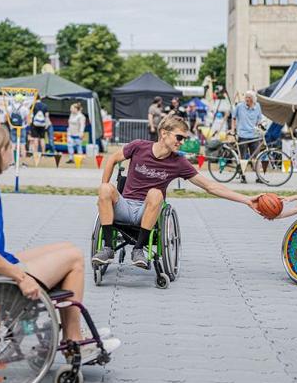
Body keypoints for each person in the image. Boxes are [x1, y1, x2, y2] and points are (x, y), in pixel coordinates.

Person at [0, 125, 121, 361]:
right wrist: (21, 277)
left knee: (67, 248)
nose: (13, 151)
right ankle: (73, 340)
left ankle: (72, 333)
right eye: (10, 147)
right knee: (74, 259)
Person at [93, 115, 265, 269]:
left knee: (155, 193)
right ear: (164, 133)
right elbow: (113, 159)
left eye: (184, 138)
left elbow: (210, 186)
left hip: (147, 210)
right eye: (179, 137)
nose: (182, 142)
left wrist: (247, 200)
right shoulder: (138, 146)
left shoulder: (179, 162)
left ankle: (138, 250)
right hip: (124, 205)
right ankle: (108, 248)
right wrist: (104, 192)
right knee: (105, 188)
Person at [231, 90, 264, 183]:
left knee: (256, 157)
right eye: (246, 97)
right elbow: (233, 118)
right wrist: (233, 129)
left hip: (254, 135)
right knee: (243, 157)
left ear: (253, 100)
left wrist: (260, 128)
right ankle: (242, 175)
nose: (247, 99)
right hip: (243, 135)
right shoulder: (240, 106)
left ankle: (259, 177)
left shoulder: (257, 106)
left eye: (249, 98)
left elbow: (259, 120)